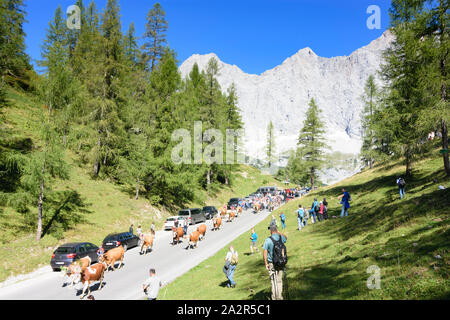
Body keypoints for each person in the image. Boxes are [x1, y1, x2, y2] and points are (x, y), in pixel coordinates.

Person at [263, 225, 287, 300]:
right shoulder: (281, 238)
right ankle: (279, 297)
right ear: (276, 230)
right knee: (279, 280)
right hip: (280, 262)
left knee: (274, 281)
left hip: (272, 263)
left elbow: (265, 251)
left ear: (270, 231)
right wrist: (279, 232)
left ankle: (274, 298)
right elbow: (286, 238)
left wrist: (266, 263)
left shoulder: (268, 240)